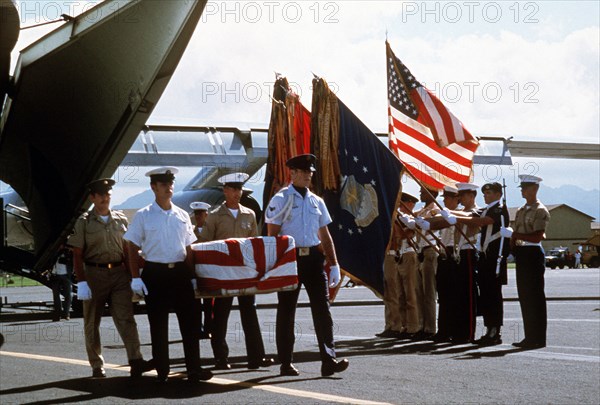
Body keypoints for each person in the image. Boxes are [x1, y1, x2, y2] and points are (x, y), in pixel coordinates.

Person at [124, 167, 212, 383]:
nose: (169, 188)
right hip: (155, 273)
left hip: (180, 273)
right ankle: (162, 369)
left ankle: (194, 369)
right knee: (158, 323)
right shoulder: (143, 215)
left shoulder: (182, 215)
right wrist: (135, 277)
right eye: (164, 184)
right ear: (153, 187)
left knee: (190, 323)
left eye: (171, 183)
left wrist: (192, 276)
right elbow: (131, 246)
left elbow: (189, 248)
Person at [265, 154, 349, 377]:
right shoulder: (281, 198)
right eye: (303, 172)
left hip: (313, 258)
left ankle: (328, 359)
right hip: (290, 258)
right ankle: (285, 362)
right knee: (287, 311)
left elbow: (325, 235)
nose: (307, 176)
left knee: (323, 310)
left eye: (310, 172)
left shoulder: (316, 201)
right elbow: (272, 234)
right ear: (292, 173)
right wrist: (276, 266)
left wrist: (334, 264)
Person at [70, 178, 153, 378]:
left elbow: (127, 249)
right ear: (92, 197)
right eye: (100, 195)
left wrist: (135, 277)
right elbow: (77, 253)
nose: (104, 199)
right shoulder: (83, 222)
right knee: (92, 322)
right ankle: (97, 364)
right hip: (94, 274)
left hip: (118, 274)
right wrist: (81, 281)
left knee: (126, 318)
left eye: (107, 195)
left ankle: (135, 360)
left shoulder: (120, 219)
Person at [197, 173, 274, 370]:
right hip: (223, 275)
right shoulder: (214, 216)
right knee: (220, 315)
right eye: (233, 189)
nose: (237, 193)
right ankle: (221, 357)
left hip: (244, 274)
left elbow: (254, 243)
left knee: (250, 313)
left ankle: (256, 357)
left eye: (239, 189)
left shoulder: (249, 214)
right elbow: (204, 244)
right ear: (225, 190)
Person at [442, 182, 510, 346]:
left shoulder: (499, 209)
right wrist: (452, 216)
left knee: (493, 294)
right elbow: (472, 216)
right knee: (486, 294)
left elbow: (481, 221)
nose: (486, 196)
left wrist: (455, 217)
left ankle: (495, 330)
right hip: (486, 256)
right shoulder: (486, 209)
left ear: (498, 194)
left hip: (496, 256)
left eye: (490, 193)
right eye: (485, 193)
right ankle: (488, 329)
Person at [506, 174, 550, 349]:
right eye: (522, 188)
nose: (523, 191)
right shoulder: (521, 210)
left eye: (526, 188)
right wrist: (512, 244)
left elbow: (538, 235)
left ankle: (538, 337)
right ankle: (529, 335)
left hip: (533, 251)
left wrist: (514, 235)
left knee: (535, 296)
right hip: (522, 252)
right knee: (525, 296)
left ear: (535, 189)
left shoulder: (541, 210)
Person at [432, 185, 460, 343]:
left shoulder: (458, 213)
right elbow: (436, 223)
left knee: (452, 296)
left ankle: (452, 330)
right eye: (444, 198)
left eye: (448, 198)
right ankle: (443, 330)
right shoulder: (445, 214)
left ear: (457, 199)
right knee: (443, 295)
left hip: (453, 255)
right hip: (442, 254)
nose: (445, 201)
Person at [413, 186, 440, 340]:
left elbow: (433, 223)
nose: (420, 194)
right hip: (420, 250)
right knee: (419, 291)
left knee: (429, 292)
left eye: (423, 192)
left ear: (433, 193)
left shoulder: (435, 209)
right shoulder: (423, 209)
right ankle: (422, 325)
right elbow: (413, 220)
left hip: (430, 249)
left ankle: (430, 328)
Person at [395, 192, 423, 339]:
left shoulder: (412, 218)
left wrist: (402, 227)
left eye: (404, 202)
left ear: (411, 204)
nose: (400, 206)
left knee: (411, 293)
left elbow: (407, 232)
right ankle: (404, 325)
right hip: (400, 254)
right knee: (401, 294)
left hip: (410, 254)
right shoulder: (400, 218)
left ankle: (413, 326)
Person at [190, 201, 213, 339]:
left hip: (208, 270)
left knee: (209, 303)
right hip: (194, 270)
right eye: (196, 213)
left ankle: (209, 328)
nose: (198, 216)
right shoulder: (190, 231)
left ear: (206, 215)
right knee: (195, 303)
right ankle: (197, 328)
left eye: (201, 213)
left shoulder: (211, 231)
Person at [51, 245, 73, 321]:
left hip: (65, 275)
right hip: (55, 275)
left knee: (68, 295)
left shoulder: (68, 252)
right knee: (56, 296)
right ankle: (58, 315)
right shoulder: (55, 253)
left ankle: (66, 313)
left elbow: (71, 261)